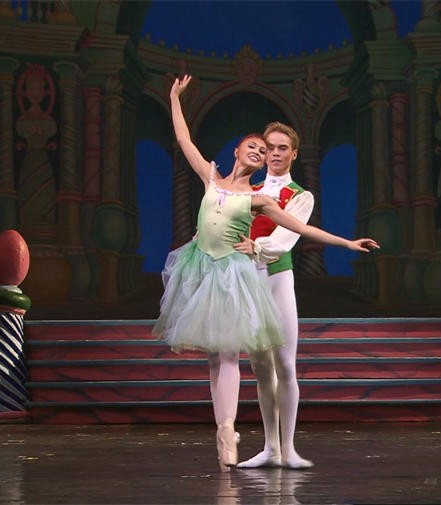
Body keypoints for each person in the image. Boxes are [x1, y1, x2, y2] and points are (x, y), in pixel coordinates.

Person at [152, 75, 379, 472]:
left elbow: (298, 231)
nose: (267, 153)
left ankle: (281, 446)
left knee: (278, 363)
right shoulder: (220, 180)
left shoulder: (276, 197)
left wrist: (346, 243)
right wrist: (174, 98)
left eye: (275, 148)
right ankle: (247, 438)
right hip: (221, 272)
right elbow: (185, 141)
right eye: (260, 147)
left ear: (293, 153)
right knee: (236, 359)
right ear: (237, 150)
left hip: (264, 276)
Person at [232, 122, 315, 469]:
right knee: (261, 368)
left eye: (283, 148)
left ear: (293, 154)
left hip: (278, 279)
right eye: (270, 148)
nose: (275, 154)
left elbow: (284, 240)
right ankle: (270, 447)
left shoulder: (300, 195)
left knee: (285, 365)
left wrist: (255, 246)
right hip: (249, 282)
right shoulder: (247, 191)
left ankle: (289, 448)